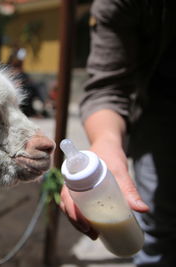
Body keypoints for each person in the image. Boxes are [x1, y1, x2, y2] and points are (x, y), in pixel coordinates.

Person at [59, 0, 176, 266]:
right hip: (161, 112)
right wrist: (106, 144)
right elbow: (107, 88)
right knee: (158, 227)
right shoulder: (120, 4)